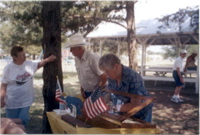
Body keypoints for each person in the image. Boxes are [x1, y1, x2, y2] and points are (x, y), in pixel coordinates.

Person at [1, 46, 56, 126]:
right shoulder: (8, 68)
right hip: (12, 102)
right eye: (21, 55)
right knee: (11, 125)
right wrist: (1, 99)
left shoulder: (29, 64)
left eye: (24, 54)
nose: (24, 57)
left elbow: (39, 64)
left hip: (26, 100)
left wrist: (48, 60)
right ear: (14, 57)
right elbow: (3, 85)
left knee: (23, 121)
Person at [98, 53, 153, 123]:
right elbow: (109, 93)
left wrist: (113, 108)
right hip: (124, 113)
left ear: (116, 66)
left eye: (108, 72)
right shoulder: (112, 77)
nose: (106, 74)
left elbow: (135, 105)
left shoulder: (133, 77)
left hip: (141, 114)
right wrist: (102, 105)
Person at [66, 33, 107, 100]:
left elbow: (104, 76)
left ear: (79, 48)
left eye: (72, 48)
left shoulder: (92, 58)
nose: (70, 51)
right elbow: (82, 75)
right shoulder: (77, 58)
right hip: (86, 92)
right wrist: (82, 89)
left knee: (97, 110)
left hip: (99, 92)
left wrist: (97, 92)